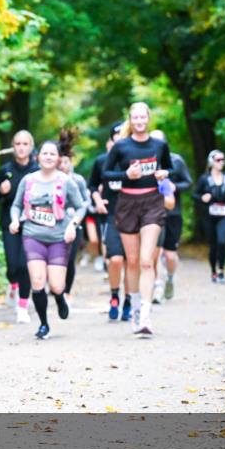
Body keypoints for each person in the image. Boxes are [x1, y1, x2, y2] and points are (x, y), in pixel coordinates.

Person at [103, 103, 172, 337]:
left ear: (148, 119)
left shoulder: (159, 145)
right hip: (127, 204)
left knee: (146, 261)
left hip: (152, 203)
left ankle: (145, 314)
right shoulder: (121, 146)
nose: (140, 121)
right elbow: (106, 173)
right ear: (130, 120)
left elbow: (169, 168)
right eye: (135, 118)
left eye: (143, 117)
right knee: (131, 261)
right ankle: (133, 308)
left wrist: (164, 173)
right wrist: (126, 175)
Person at [9, 138, 87, 340]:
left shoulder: (66, 181)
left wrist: (73, 224)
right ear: (38, 157)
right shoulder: (28, 181)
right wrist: (15, 220)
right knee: (37, 281)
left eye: (53, 154)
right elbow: (16, 205)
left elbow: (81, 206)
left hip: (58, 238)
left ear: (58, 159)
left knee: (56, 285)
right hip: (33, 235)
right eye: (45, 153)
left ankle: (60, 297)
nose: (48, 157)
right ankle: (44, 324)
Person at [0, 130, 38, 323]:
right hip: (9, 222)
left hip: (32, 224)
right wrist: (1, 190)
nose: (21, 147)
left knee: (24, 265)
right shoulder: (5, 169)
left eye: (25, 144)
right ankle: (13, 284)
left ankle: (23, 306)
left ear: (31, 147)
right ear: (13, 147)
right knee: (12, 267)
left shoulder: (37, 170)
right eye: (18, 144)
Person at [88, 125, 131, 322]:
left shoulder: (135, 160)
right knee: (115, 260)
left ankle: (128, 301)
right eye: (117, 137)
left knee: (131, 262)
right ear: (111, 140)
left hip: (133, 215)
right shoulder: (102, 161)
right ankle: (114, 296)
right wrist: (97, 200)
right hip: (111, 215)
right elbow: (91, 184)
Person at [149, 129, 192, 300]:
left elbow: (188, 183)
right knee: (155, 253)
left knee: (169, 255)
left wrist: (175, 187)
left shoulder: (176, 161)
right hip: (152, 214)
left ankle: (170, 278)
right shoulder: (145, 163)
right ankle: (157, 287)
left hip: (173, 213)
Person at [193, 150, 225, 283]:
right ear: (211, 162)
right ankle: (213, 271)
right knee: (213, 245)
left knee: (221, 242)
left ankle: (221, 270)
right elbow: (194, 195)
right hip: (208, 216)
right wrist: (202, 197)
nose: (221, 162)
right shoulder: (204, 179)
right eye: (218, 160)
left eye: (223, 159)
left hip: (223, 215)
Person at [58, 127, 90, 303]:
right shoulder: (51, 179)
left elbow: (85, 202)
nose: (63, 165)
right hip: (54, 225)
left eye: (66, 162)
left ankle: (67, 291)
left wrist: (76, 215)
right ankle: (56, 287)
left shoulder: (78, 180)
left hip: (74, 225)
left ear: (71, 162)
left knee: (69, 259)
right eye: (60, 162)